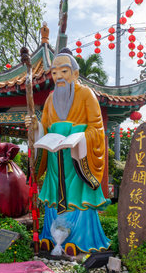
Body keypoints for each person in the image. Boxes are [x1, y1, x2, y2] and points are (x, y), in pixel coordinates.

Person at [25, 48, 110, 255]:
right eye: (54, 73)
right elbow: (44, 128)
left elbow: (97, 128)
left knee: (78, 196)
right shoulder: (49, 100)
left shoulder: (86, 94)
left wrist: (79, 137)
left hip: (77, 160)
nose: (59, 77)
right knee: (55, 196)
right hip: (56, 161)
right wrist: (34, 126)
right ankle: (51, 238)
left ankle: (80, 239)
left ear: (75, 74)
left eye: (64, 71)